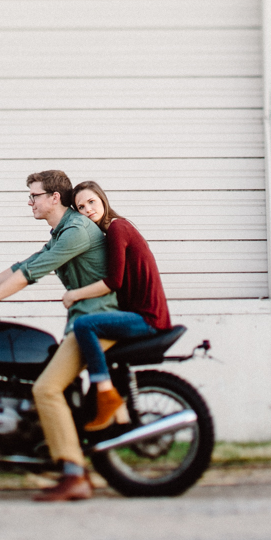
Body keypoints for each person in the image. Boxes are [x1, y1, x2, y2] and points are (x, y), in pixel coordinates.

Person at [0, 169, 118, 502]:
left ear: (54, 198)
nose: (30, 202)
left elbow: (28, 275)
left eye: (34, 196)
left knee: (46, 388)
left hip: (100, 321)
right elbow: (19, 267)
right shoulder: (62, 232)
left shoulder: (76, 231)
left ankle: (74, 474)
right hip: (84, 320)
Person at [62, 181, 172, 432]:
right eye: (81, 207)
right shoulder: (110, 232)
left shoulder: (117, 228)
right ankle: (117, 414)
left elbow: (113, 281)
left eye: (91, 202)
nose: (88, 209)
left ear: (102, 200)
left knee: (84, 325)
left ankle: (106, 394)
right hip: (140, 314)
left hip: (148, 318)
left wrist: (74, 295)